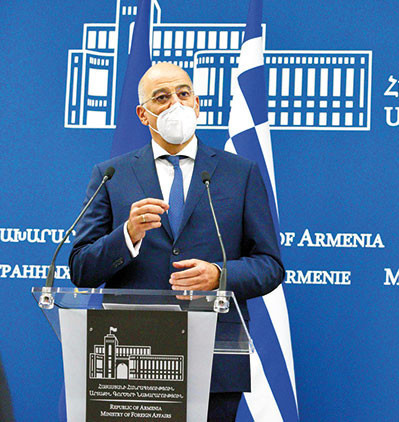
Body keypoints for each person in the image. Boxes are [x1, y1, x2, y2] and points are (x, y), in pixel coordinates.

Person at [69, 62, 284, 420]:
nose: (176, 104)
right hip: (132, 363)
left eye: (184, 94)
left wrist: (219, 275)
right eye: (162, 97)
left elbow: (270, 265)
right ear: (143, 114)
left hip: (214, 360)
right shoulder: (112, 175)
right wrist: (127, 235)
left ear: (197, 104)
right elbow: (80, 268)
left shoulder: (240, 173)